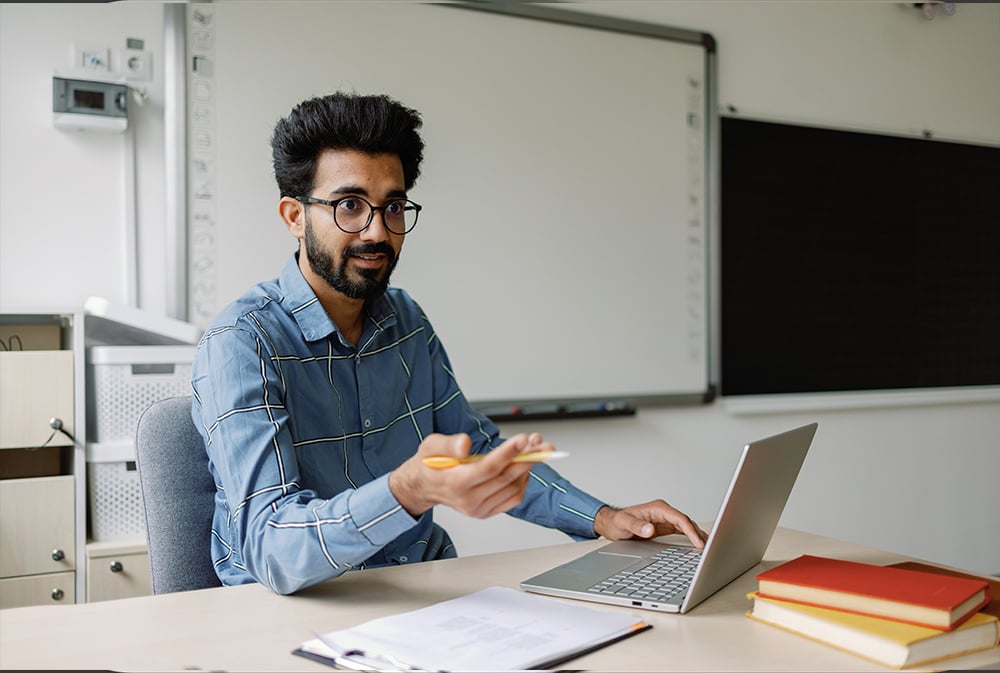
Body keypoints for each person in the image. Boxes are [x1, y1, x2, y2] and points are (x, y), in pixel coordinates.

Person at [191, 91, 708, 595]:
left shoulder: (406, 320)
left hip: (423, 593)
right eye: (350, 205)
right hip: (298, 611)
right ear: (294, 217)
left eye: (392, 207)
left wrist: (603, 518)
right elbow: (270, 546)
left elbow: (477, 451)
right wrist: (405, 492)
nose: (377, 232)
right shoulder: (240, 345)